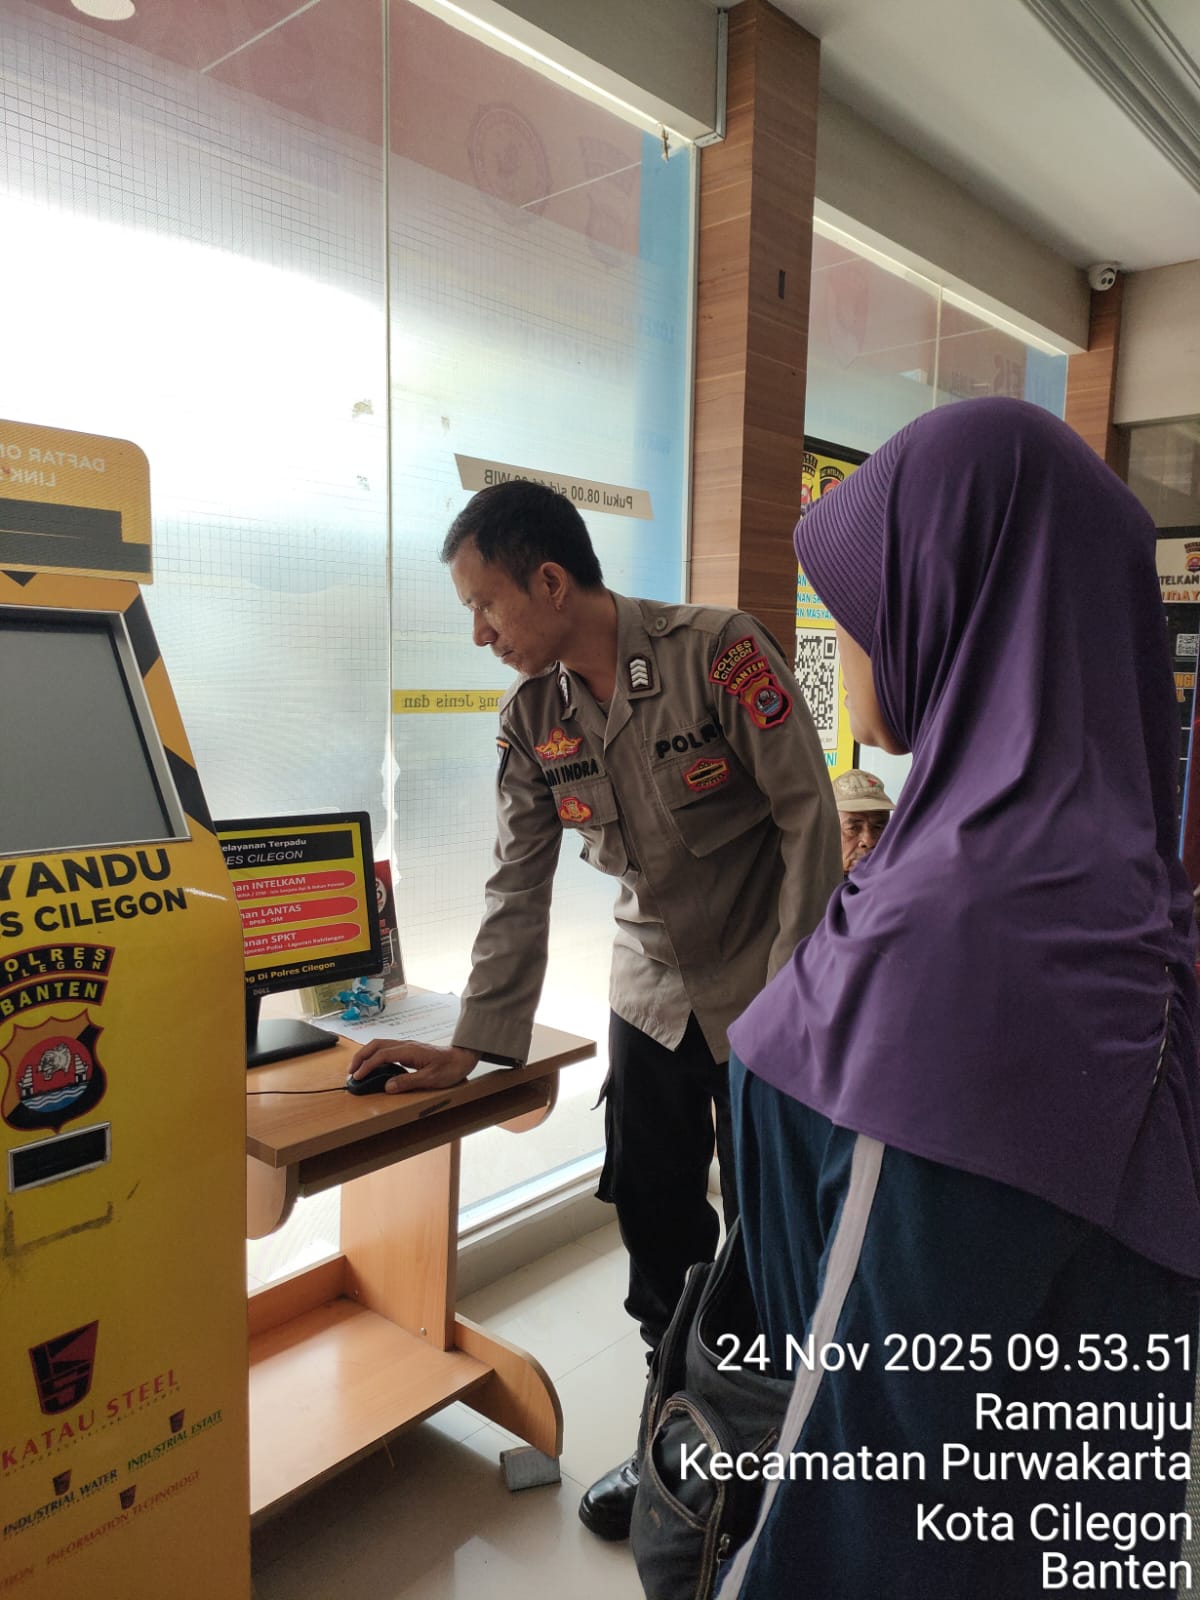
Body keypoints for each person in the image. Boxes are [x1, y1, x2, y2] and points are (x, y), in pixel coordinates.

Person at [716, 398, 1200, 1599]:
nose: (848, 637)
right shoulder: (1124, 897)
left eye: (862, 604)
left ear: (961, 598)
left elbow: (861, 1455)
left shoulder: (961, 951)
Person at [350, 480, 841, 1539]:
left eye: (486, 605)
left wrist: (796, 998)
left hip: (769, 989)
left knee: (778, 1230)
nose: (480, 634)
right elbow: (515, 885)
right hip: (652, 998)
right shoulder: (531, 720)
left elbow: (810, 817)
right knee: (656, 1228)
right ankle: (676, 1447)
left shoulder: (719, 653)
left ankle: (789, 1451)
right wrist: (473, 1043)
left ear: (550, 581)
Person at [831, 765, 895, 873]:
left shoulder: (899, 879)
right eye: (853, 828)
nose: (869, 841)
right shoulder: (808, 879)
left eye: (878, 827)